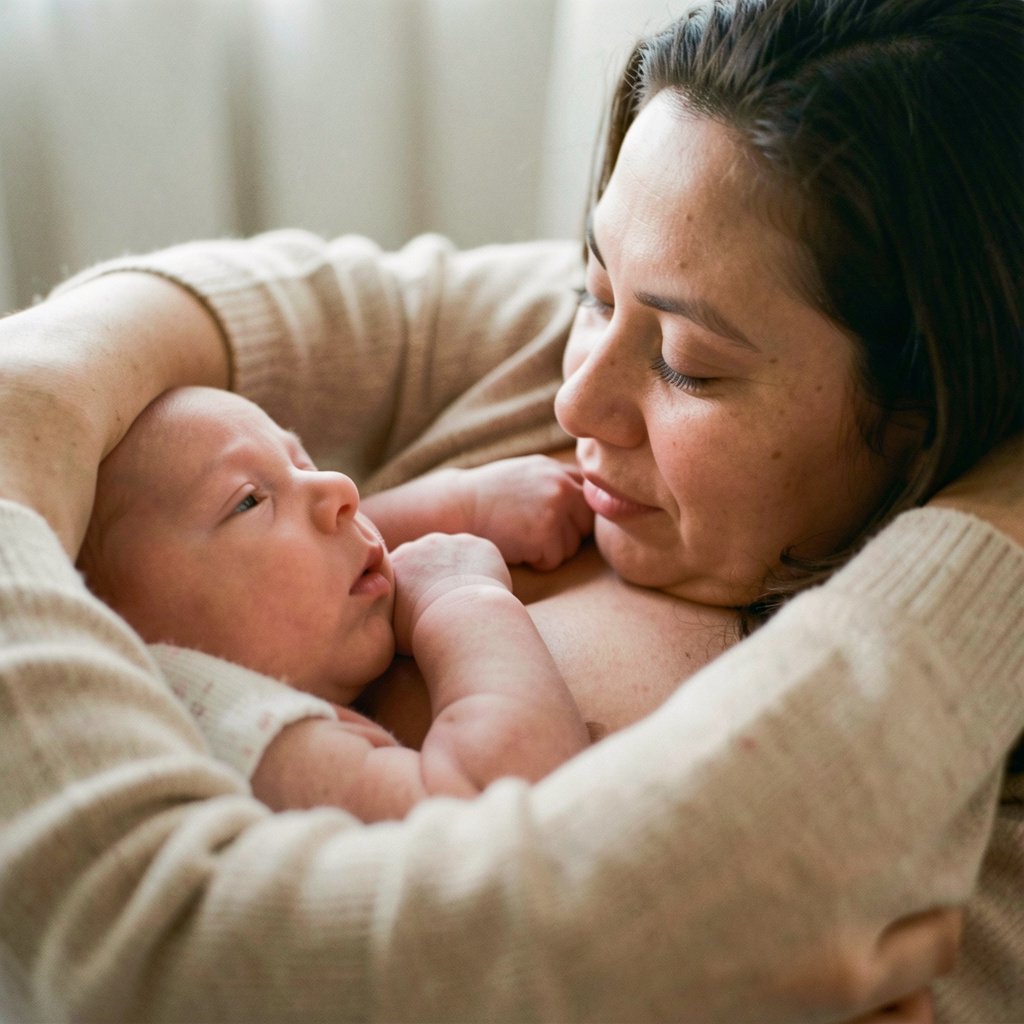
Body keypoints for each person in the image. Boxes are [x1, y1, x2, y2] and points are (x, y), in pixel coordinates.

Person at [0, 1, 1021, 1021]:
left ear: (917, 413)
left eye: (688, 367)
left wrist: (986, 536)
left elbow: (187, 965)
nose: (572, 397)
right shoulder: (628, 303)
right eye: (592, 283)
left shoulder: (941, 800)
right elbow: (154, 336)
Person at [75, 384, 592, 819]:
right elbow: (507, 808)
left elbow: (293, 568)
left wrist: (463, 502)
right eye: (250, 501)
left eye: (304, 463)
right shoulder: (241, 731)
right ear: (117, 624)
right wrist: (460, 599)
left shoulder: (232, 635)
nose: (341, 488)